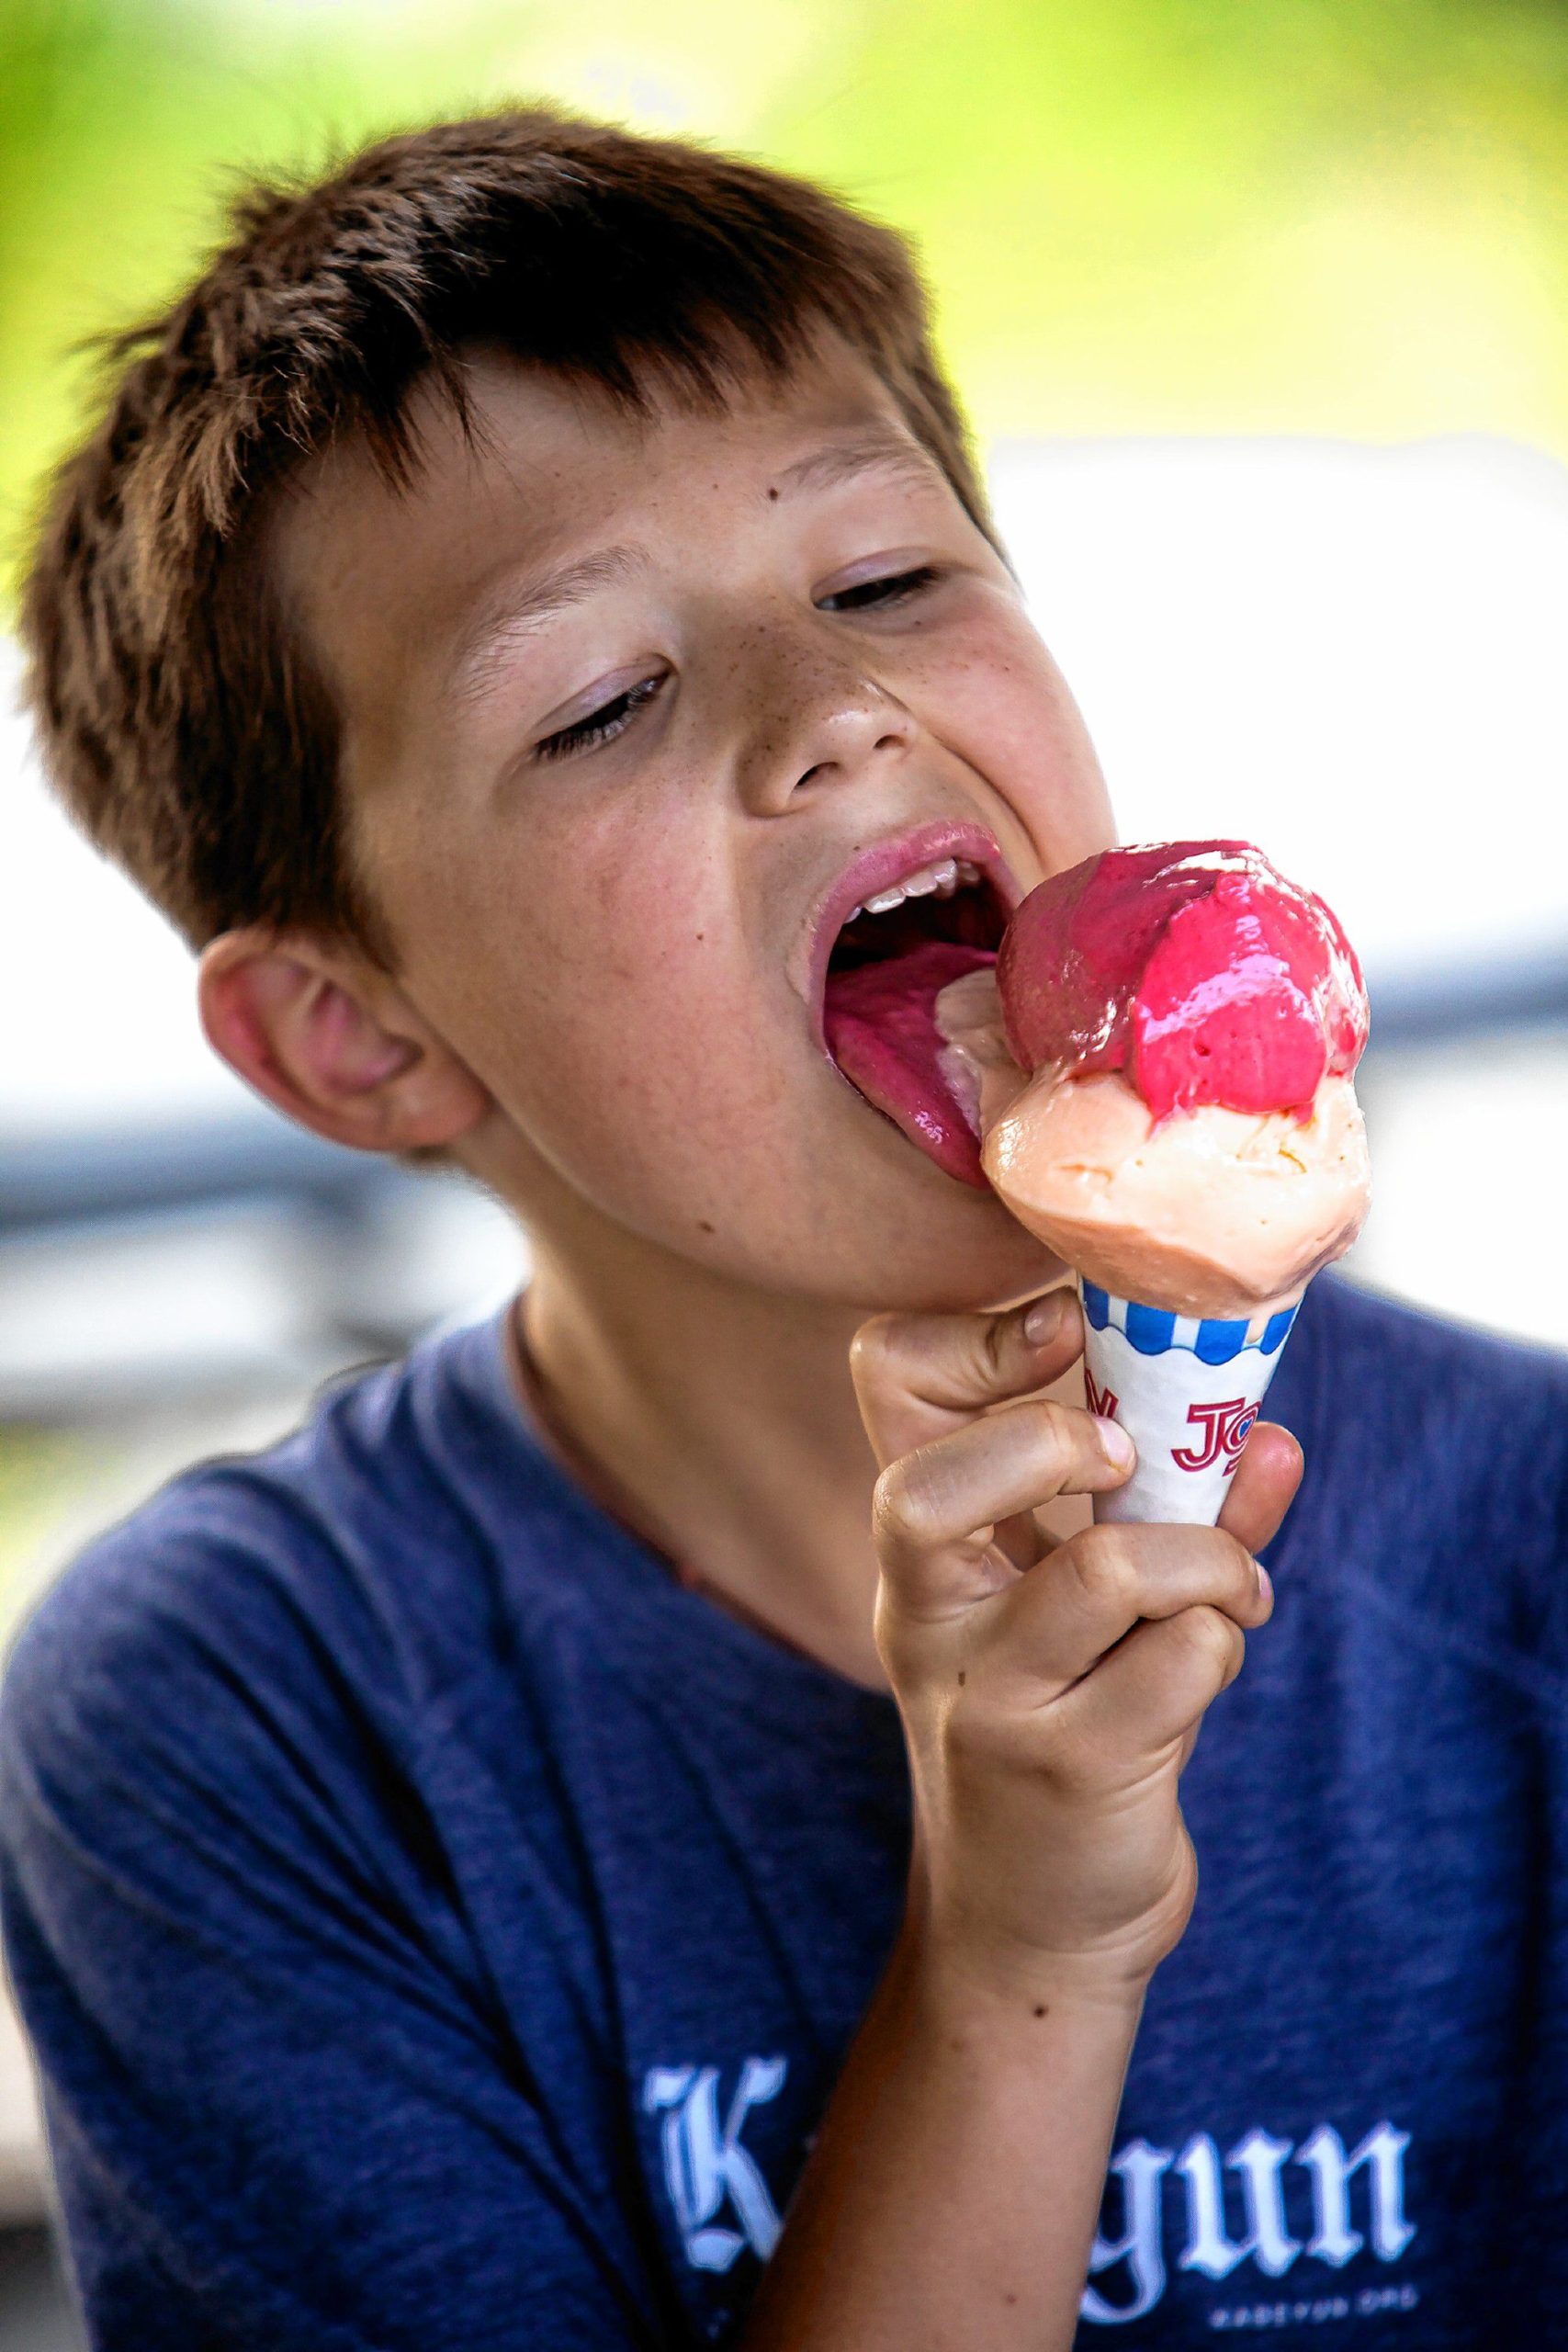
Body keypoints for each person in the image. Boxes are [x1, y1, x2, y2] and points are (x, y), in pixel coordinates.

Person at [0, 108, 1563, 2351]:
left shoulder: (1532, 1557)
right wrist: (1011, 1961)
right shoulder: (248, 1720)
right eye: (600, 700)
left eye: (883, 579)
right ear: (358, 1039)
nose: (834, 711)